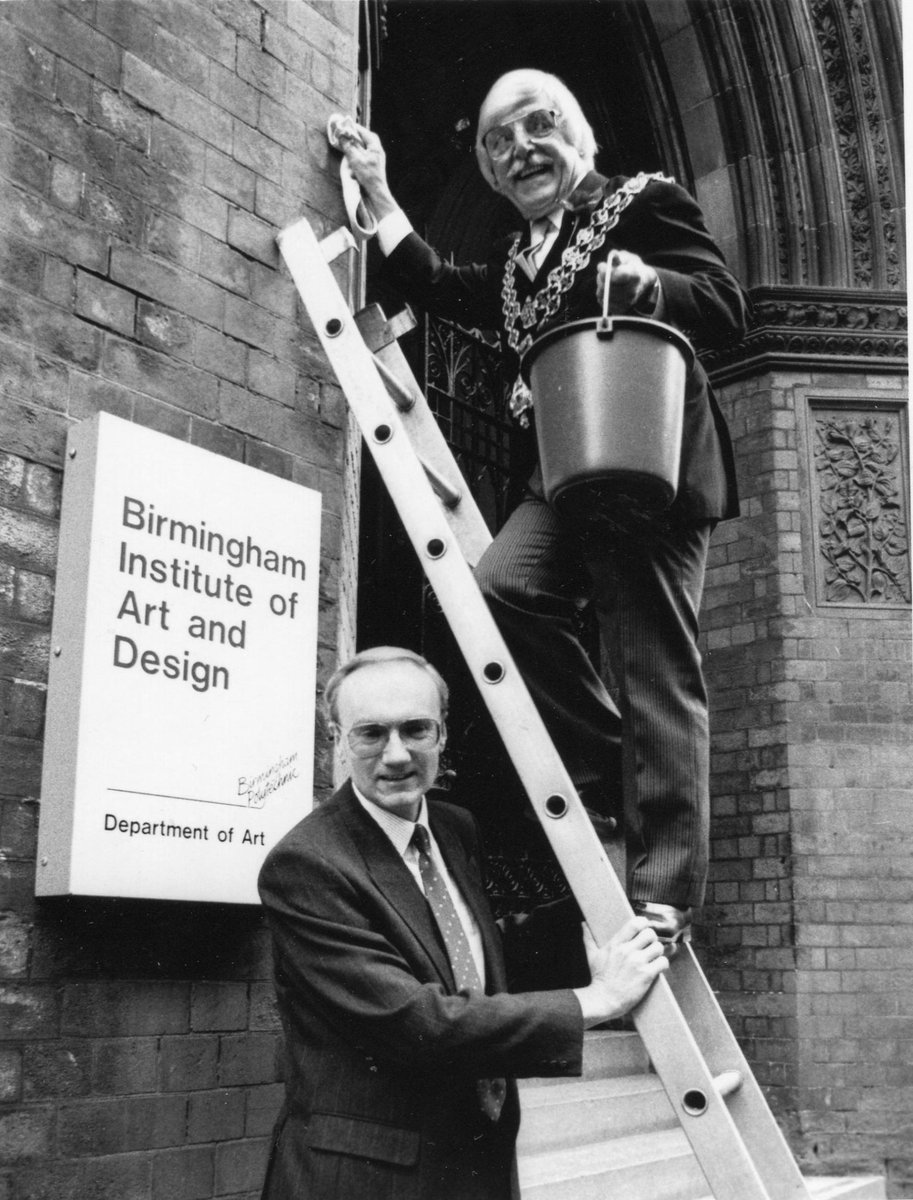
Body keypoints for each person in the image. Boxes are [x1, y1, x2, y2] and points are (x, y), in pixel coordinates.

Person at [333, 69, 751, 950]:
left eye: (538, 126)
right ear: (487, 172)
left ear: (580, 138)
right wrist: (376, 190)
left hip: (649, 459)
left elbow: (722, 304)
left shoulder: (644, 202)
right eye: (497, 140)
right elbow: (443, 283)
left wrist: (651, 285)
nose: (520, 148)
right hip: (563, 476)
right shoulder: (522, 264)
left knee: (653, 669)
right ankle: (618, 772)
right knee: (503, 587)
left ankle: (665, 891)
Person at [258, 646, 667, 1200]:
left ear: (443, 734)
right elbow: (416, 1021)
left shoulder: (453, 828)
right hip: (367, 1179)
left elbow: (471, 954)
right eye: (371, 733)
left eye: (416, 729)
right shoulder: (307, 864)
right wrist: (596, 999)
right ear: (338, 740)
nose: (397, 754)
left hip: (478, 1161)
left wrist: (591, 925)